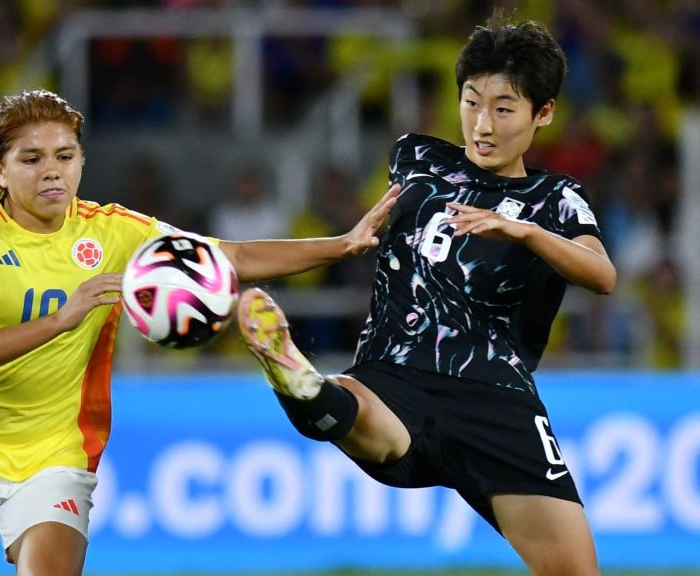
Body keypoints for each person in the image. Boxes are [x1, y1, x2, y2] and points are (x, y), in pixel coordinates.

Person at [0, 88, 399, 575]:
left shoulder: (111, 231)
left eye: (65, 157)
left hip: (55, 453)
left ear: (82, 161)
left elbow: (231, 257)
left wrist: (342, 243)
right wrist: (63, 318)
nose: (52, 173)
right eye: (31, 158)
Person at [238, 13, 616, 576]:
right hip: (397, 370)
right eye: (470, 102)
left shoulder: (555, 198)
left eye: (504, 108)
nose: (482, 124)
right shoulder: (416, 159)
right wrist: (348, 240)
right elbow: (378, 227)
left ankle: (311, 391)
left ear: (544, 113)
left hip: (497, 397)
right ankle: (303, 384)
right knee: (370, 422)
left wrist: (528, 232)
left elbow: (602, 275)